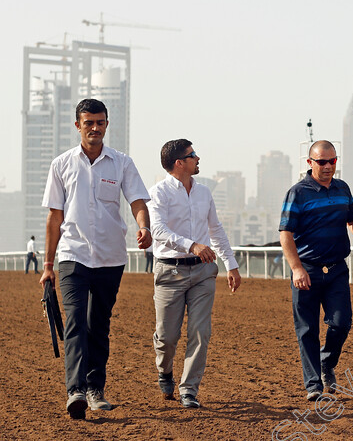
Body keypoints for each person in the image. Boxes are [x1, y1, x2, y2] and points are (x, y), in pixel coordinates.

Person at [40, 98, 152, 419]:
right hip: (72, 256)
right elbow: (54, 217)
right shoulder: (61, 165)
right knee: (75, 321)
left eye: (99, 122)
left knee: (98, 324)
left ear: (106, 125)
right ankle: (74, 390)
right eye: (88, 122)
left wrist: (143, 227)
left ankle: (95, 388)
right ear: (78, 125)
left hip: (110, 258)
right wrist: (47, 266)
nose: (94, 128)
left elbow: (138, 202)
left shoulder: (122, 163)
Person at [279, 140, 353, 401]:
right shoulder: (298, 193)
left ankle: (327, 362)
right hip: (307, 271)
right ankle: (313, 385)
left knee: (342, 323)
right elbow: (285, 233)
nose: (328, 167)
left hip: (337, 270)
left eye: (333, 161)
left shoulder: (342, 188)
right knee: (307, 330)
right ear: (310, 163)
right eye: (322, 162)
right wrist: (296, 269)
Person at [147, 139, 242, 409]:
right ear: (180, 163)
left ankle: (189, 389)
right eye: (193, 155)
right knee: (167, 337)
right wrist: (193, 245)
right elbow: (159, 231)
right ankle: (164, 371)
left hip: (202, 273)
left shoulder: (204, 193)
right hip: (169, 272)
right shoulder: (158, 193)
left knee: (200, 332)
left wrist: (231, 265)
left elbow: (216, 229)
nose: (198, 158)